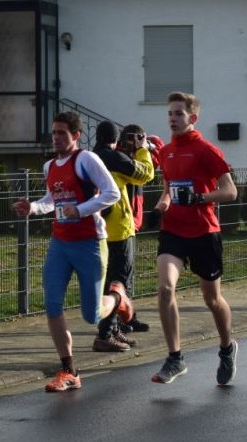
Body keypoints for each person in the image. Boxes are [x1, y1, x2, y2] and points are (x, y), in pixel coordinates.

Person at [12, 111, 134, 392]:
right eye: (54, 133)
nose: (56, 138)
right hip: (60, 243)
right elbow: (51, 200)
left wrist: (80, 210)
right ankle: (68, 370)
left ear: (76, 135)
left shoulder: (87, 160)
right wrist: (33, 207)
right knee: (52, 305)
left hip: (90, 242)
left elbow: (111, 193)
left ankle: (117, 297)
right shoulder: (49, 166)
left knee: (91, 316)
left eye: (62, 133)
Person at [147, 91, 238, 385]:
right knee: (164, 289)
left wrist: (201, 197)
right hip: (173, 230)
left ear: (193, 118)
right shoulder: (166, 152)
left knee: (212, 299)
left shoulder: (206, 151)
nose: (173, 119)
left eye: (179, 114)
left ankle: (226, 348)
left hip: (203, 231)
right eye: (170, 114)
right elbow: (169, 188)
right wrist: (161, 205)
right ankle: (175, 358)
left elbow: (230, 191)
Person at [91, 121, 155, 352]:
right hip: (118, 230)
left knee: (107, 283)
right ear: (117, 139)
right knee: (119, 284)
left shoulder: (90, 157)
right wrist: (143, 149)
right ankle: (105, 335)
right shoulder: (115, 159)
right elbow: (145, 174)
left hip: (97, 230)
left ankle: (114, 327)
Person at [116, 124, 164, 334]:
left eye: (136, 138)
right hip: (121, 223)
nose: (132, 143)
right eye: (129, 139)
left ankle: (127, 317)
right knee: (121, 276)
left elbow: (159, 157)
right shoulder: (118, 159)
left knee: (127, 275)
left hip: (131, 222)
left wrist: (147, 145)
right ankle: (120, 320)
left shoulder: (142, 155)